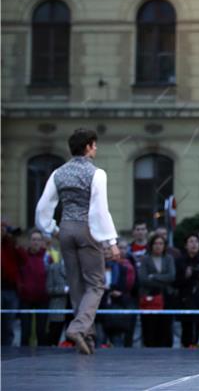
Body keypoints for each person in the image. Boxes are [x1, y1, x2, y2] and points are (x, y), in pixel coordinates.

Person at [35, 128, 120, 355]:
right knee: (96, 283)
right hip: (87, 229)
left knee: (76, 286)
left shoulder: (58, 173)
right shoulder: (97, 173)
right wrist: (110, 240)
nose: (96, 148)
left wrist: (50, 228)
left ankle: (87, 338)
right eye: (95, 144)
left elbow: (43, 206)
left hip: (65, 229)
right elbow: (100, 210)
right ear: (89, 146)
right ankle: (78, 328)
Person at [138, 233, 176, 348]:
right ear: (151, 245)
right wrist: (162, 279)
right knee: (149, 328)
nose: (158, 246)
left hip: (166, 297)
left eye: (161, 243)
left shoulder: (169, 258)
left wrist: (154, 276)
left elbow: (171, 276)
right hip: (149, 297)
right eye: (155, 243)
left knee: (165, 327)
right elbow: (143, 278)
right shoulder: (145, 259)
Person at [16, 229, 50, 347]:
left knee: (41, 332)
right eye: (33, 239)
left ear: (42, 242)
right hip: (25, 298)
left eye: (38, 240)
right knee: (25, 332)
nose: (36, 242)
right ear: (29, 241)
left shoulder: (47, 257)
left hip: (43, 299)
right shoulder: (22, 257)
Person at [45, 254, 70, 346]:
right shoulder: (53, 268)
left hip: (73, 310)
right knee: (53, 338)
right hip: (58, 309)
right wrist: (64, 290)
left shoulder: (78, 268)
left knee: (71, 342)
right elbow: (49, 289)